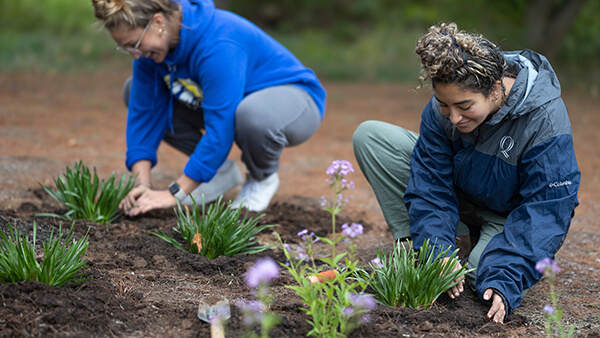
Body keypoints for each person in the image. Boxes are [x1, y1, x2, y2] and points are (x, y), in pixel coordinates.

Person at [353, 23, 580, 323]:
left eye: (464, 106)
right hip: (460, 195)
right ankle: (431, 244)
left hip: (506, 216)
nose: (454, 117)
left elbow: (546, 210)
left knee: (482, 278)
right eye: (445, 105)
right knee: (370, 136)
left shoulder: (545, 119)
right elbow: (429, 183)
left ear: (496, 88)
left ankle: (477, 250)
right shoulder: (446, 106)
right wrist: (436, 253)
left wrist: (506, 277)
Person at [91, 0, 326, 215]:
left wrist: (175, 193)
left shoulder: (218, 43)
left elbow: (220, 128)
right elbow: (145, 114)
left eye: (135, 45)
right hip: (230, 103)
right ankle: (220, 171)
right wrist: (142, 184)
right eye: (126, 48)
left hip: (295, 101)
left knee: (252, 115)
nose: (135, 55)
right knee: (132, 91)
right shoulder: (149, 53)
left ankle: (261, 178)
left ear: (159, 22)